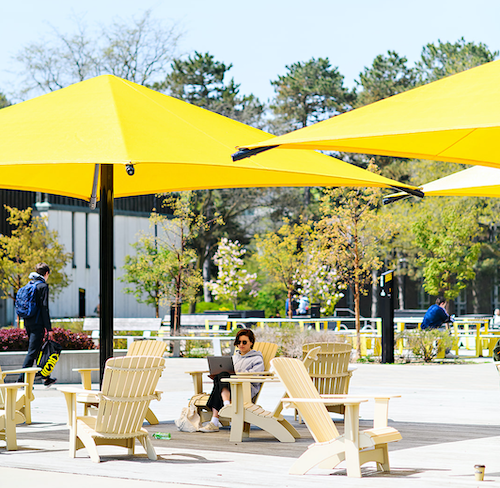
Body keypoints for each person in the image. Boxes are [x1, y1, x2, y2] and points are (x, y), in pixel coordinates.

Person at [199, 329, 264, 433]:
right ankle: (225, 405)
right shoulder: (235, 358)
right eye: (238, 342)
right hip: (231, 387)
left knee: (222, 377)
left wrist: (237, 373)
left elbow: (256, 376)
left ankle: (215, 420)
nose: (241, 345)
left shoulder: (257, 359)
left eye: (244, 342)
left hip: (245, 388)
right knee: (220, 376)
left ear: (251, 342)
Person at [17, 263, 56, 387]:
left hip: (28, 322)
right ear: (46, 273)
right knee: (33, 352)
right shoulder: (43, 286)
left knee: (38, 350)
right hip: (37, 324)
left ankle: (45, 378)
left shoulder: (29, 285)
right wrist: (49, 329)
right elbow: (44, 308)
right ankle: (21, 380)